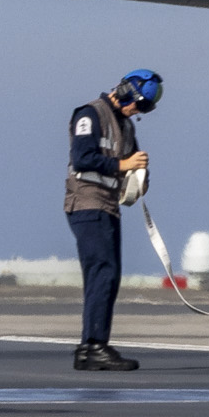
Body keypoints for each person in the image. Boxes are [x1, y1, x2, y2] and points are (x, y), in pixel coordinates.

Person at [65, 68, 161, 373]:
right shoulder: (89, 115)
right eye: (138, 103)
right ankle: (94, 346)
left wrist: (140, 177)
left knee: (109, 275)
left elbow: (128, 166)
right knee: (102, 273)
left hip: (109, 206)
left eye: (144, 108)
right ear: (124, 92)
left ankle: (91, 346)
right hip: (87, 203)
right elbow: (83, 158)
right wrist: (124, 164)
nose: (137, 111)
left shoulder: (127, 127)